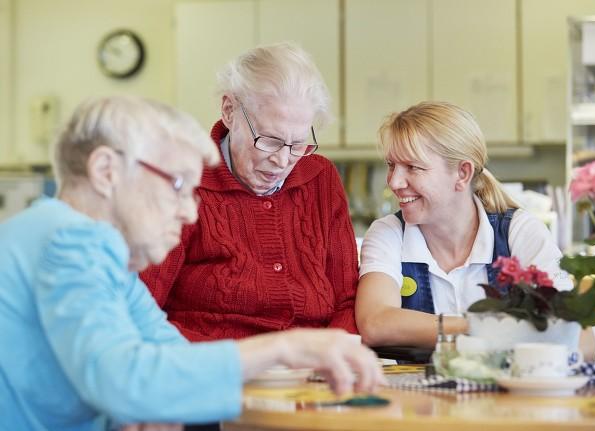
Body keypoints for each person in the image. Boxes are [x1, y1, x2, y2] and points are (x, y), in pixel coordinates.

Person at [0, 96, 384, 431]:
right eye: (180, 185)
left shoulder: (105, 261)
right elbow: (126, 382)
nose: (188, 212)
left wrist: (161, 398)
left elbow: (168, 358)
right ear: (106, 172)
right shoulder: (72, 239)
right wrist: (285, 347)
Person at [141, 42, 359, 341]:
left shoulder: (319, 177)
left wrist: (328, 355)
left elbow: (347, 302)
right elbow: (140, 310)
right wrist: (242, 360)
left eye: (297, 145)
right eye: (269, 140)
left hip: (312, 373)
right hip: (216, 368)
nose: (282, 161)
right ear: (229, 110)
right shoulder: (181, 181)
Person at [355, 101, 595, 360]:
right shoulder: (389, 233)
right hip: (420, 398)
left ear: (462, 173)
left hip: (509, 397)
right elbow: (375, 323)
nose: (394, 182)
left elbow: (583, 341)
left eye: (413, 167)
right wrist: (487, 328)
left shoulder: (518, 231)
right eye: (391, 165)